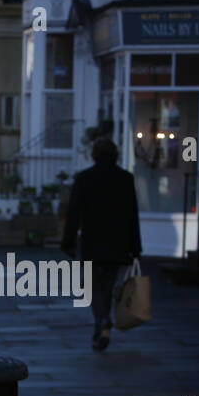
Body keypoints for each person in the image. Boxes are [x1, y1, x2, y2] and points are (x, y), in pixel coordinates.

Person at [62, 137, 142, 351]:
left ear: (94, 155)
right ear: (115, 155)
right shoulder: (125, 178)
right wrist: (136, 246)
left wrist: (67, 242)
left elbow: (74, 213)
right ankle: (103, 322)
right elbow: (132, 214)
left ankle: (102, 321)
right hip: (118, 242)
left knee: (92, 287)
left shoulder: (85, 178)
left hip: (93, 242)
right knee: (107, 285)